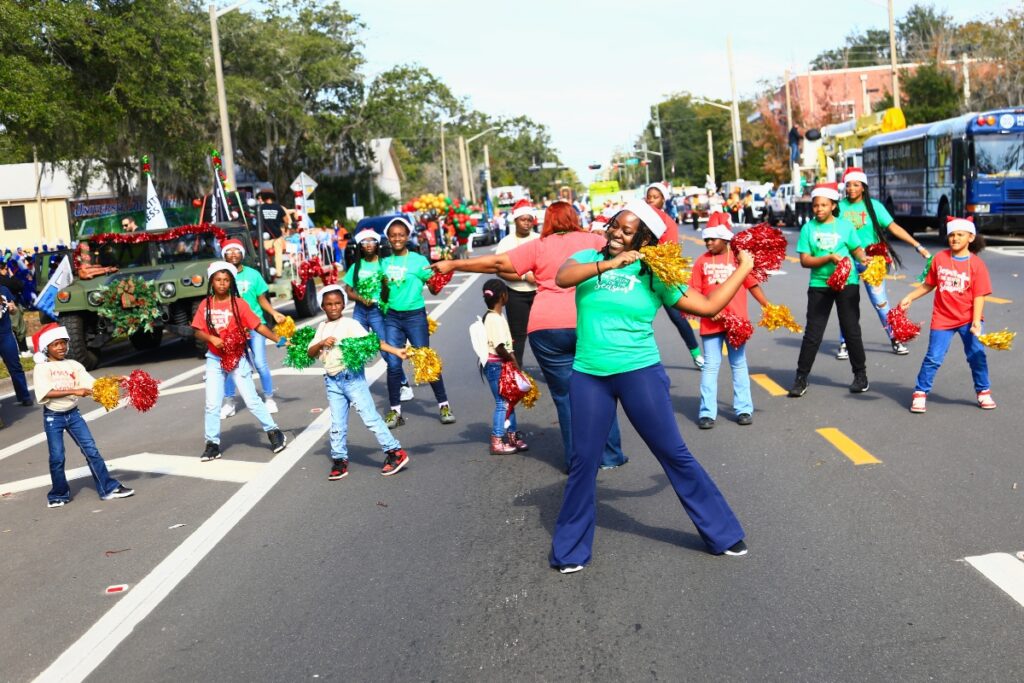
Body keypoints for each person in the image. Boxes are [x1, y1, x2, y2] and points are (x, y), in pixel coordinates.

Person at [549, 200, 754, 573]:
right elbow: (562, 278)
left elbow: (707, 306)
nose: (616, 233)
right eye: (615, 225)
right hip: (589, 375)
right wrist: (608, 263)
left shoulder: (655, 273)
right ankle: (570, 550)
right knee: (583, 461)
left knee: (673, 453)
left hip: (639, 373)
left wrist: (743, 269)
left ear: (643, 239)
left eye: (627, 231)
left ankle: (722, 533)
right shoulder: (585, 257)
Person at [432, 201, 628, 471]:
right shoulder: (594, 240)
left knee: (564, 397)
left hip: (546, 328)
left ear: (545, 221)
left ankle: (576, 461)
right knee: (602, 388)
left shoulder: (539, 246)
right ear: (574, 217)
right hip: (588, 323)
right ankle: (610, 454)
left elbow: (496, 263)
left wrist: (453, 263)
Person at [307, 285, 411, 479]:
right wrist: (321, 343)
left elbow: (373, 341)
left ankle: (395, 452)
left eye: (338, 303)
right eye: (329, 304)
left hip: (351, 378)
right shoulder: (322, 327)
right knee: (337, 422)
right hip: (332, 380)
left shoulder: (350, 324)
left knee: (369, 417)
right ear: (322, 306)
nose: (334, 307)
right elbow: (310, 351)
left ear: (344, 304)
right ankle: (339, 460)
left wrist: (396, 351)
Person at [192, 261, 288, 461]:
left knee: (252, 400)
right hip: (214, 359)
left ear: (231, 282)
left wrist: (277, 339)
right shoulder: (205, 304)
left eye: (226, 280)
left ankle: (274, 432)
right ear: (211, 282)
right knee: (211, 404)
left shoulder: (239, 304)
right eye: (218, 280)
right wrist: (211, 339)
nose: (222, 284)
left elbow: (257, 326)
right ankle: (212, 444)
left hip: (237, 358)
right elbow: (197, 330)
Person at [31, 323, 135, 507]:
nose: (61, 347)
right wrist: (75, 390)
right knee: (57, 457)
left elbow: (93, 385)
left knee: (91, 451)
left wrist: (115, 379)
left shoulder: (74, 365)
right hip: (53, 417)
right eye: (56, 344)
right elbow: (45, 393)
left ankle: (108, 489)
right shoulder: (42, 368)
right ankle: (58, 495)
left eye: (63, 343)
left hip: (74, 415)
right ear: (47, 348)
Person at [835, 167, 932, 359]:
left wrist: (917, 245)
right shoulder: (839, 208)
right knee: (846, 303)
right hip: (846, 260)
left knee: (880, 302)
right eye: (848, 185)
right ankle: (844, 342)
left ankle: (895, 338)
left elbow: (894, 228)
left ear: (863, 187)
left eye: (856, 185)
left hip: (873, 261)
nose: (852, 189)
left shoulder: (875, 206)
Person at [900, 217, 994, 414]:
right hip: (943, 319)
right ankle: (920, 393)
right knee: (934, 357)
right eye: (951, 235)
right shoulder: (940, 259)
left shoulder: (977, 264)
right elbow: (929, 284)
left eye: (960, 234)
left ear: (970, 237)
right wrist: (910, 297)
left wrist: (976, 322)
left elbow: (979, 296)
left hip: (969, 320)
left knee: (977, 356)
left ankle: (983, 391)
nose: (955, 238)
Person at [788, 183, 870, 398]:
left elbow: (857, 250)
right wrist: (828, 258)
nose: (819, 209)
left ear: (833, 205)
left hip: (847, 283)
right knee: (813, 333)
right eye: (816, 206)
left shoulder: (845, 226)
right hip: (820, 285)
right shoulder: (808, 228)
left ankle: (860, 376)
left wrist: (865, 259)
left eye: (824, 205)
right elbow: (805, 261)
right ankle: (801, 377)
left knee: (851, 329)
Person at [691, 213, 769, 429]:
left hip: (737, 323)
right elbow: (694, 291)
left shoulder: (738, 260)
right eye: (706, 239)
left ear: (725, 239)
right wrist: (707, 311)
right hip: (711, 323)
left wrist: (767, 306)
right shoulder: (701, 261)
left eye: (712, 239)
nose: (708, 243)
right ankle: (707, 413)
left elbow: (752, 285)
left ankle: (744, 409)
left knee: (738, 364)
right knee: (711, 366)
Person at [379, 217, 456, 428]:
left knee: (425, 360)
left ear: (407, 237)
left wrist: (441, 276)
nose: (397, 238)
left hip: (415, 316)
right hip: (392, 317)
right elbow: (383, 297)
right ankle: (395, 411)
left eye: (401, 235)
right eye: (393, 235)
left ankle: (444, 405)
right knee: (394, 364)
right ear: (388, 238)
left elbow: (432, 288)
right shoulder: (383, 263)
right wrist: (383, 286)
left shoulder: (419, 261)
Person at [342, 229, 413, 401]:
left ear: (377, 244)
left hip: (378, 312)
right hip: (360, 311)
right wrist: (361, 298)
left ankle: (403, 384)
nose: (368, 245)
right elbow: (348, 291)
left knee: (386, 349)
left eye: (372, 241)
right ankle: (356, 390)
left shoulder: (384, 264)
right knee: (356, 349)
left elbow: (390, 289)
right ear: (360, 245)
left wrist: (386, 289)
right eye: (364, 242)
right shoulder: (355, 266)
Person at [217, 239, 285, 418]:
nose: (233, 254)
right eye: (229, 251)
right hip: (232, 329)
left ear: (242, 254)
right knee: (229, 366)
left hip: (255, 326)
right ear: (223, 254)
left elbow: (262, 299)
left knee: (261, 364)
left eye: (236, 251)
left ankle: (269, 398)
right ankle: (229, 403)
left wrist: (274, 313)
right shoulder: (221, 277)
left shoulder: (253, 275)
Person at [645, 182, 705, 369]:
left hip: (663, 276)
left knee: (678, 318)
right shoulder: (639, 219)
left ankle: (696, 354)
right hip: (642, 276)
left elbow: (671, 252)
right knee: (638, 316)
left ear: (663, 200)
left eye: (655, 197)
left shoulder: (668, 223)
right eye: (649, 196)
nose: (651, 200)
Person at [479, 279, 528, 455]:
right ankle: (497, 440)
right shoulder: (494, 319)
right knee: (503, 403)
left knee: (509, 401)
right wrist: (514, 364)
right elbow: (500, 348)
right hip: (496, 365)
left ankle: (512, 435)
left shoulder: (497, 316)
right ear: (503, 296)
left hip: (499, 364)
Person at [495, 200, 539, 367]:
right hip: (516, 294)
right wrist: (523, 277)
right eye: (523, 219)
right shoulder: (506, 242)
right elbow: (499, 270)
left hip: (539, 292)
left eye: (530, 219)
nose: (527, 223)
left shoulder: (539, 239)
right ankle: (516, 370)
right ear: (515, 220)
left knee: (541, 332)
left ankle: (548, 367)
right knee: (518, 335)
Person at [1, 285, 33, 406]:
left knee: (15, 366)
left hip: (5, 335)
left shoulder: (4, 290)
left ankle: (24, 396)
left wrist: (12, 308)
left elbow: (13, 309)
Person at [259, 192, 291, 276]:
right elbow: (286, 220)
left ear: (264, 198)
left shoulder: (261, 208)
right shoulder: (278, 207)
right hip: (277, 236)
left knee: (264, 255)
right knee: (278, 255)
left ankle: (266, 272)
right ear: (273, 198)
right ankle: (278, 273)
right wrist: (286, 228)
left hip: (265, 236)